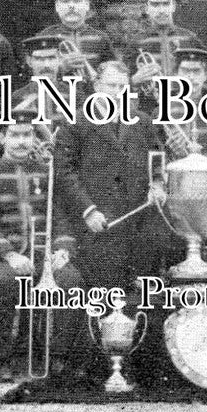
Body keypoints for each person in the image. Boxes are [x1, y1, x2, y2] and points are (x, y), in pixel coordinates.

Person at [0, 107, 85, 381]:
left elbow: (59, 216)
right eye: (15, 135)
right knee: (4, 281)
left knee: (72, 281)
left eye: (27, 135)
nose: (22, 141)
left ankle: (56, 357)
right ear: (2, 139)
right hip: (5, 258)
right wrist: (9, 255)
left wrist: (63, 250)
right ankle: (1, 359)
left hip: (43, 255)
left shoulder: (46, 173)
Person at [54, 61, 163, 291]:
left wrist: (158, 185)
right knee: (104, 294)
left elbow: (157, 159)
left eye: (122, 87)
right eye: (111, 86)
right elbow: (64, 173)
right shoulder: (75, 122)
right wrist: (89, 210)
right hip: (98, 224)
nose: (117, 93)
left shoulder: (142, 121)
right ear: (96, 86)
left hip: (136, 221)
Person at [130, 0, 202, 95]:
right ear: (146, 8)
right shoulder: (137, 41)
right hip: (149, 107)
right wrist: (135, 80)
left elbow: (206, 74)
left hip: (184, 104)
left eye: (166, 4)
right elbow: (124, 80)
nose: (161, 10)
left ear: (173, 6)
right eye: (155, 5)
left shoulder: (190, 38)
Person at [36, 0, 116, 83]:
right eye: (65, 1)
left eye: (77, 1)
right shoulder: (44, 36)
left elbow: (114, 73)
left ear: (87, 5)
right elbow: (35, 76)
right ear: (57, 7)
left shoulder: (101, 38)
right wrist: (61, 68)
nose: (71, 6)